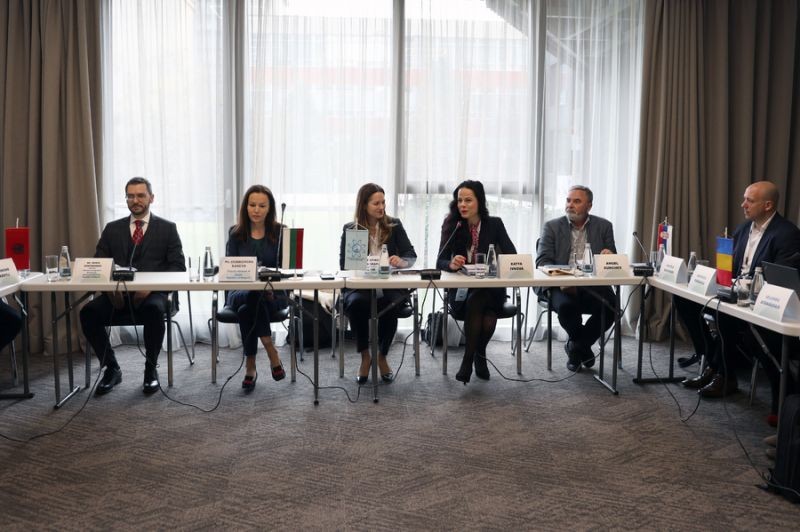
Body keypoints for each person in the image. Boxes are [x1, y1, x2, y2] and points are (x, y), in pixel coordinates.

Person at [679, 181, 800, 410]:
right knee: (684, 300)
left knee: (723, 315)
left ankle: (724, 374)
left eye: (749, 201)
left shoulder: (787, 234)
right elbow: (730, 267)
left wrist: (742, 286)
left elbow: (781, 280)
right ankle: (713, 364)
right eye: (744, 199)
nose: (743, 204)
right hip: (732, 294)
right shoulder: (743, 229)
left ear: (768, 205)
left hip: (760, 304)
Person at [80, 177, 185, 395]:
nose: (135, 200)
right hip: (117, 297)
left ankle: (150, 369)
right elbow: (99, 265)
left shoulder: (167, 229)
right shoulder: (112, 229)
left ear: (151, 198)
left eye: (140, 195)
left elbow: (178, 267)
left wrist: (151, 287)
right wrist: (111, 291)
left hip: (153, 295)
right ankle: (111, 368)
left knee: (154, 309)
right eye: (130, 196)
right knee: (88, 313)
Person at [437, 180, 516, 384]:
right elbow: (440, 261)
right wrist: (451, 264)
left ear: (479, 201)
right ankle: (479, 355)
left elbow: (512, 256)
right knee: (486, 314)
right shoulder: (453, 224)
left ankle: (467, 360)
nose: (462, 205)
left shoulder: (495, 224)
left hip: (491, 290)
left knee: (481, 297)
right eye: (459, 200)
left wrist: (495, 263)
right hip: (462, 292)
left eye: (468, 200)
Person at [339, 183, 417, 384]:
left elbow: (410, 254)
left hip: (389, 284)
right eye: (376, 203)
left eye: (383, 202)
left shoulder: (394, 225)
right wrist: (360, 262)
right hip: (361, 286)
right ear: (364, 205)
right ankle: (365, 356)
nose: (381, 207)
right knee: (357, 303)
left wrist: (401, 261)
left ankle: (382, 356)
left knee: (391, 303)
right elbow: (344, 265)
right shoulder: (351, 229)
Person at [536, 185, 616, 372]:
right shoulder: (552, 226)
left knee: (611, 307)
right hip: (558, 285)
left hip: (592, 285)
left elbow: (612, 261)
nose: (570, 205)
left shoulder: (604, 226)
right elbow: (543, 262)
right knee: (567, 307)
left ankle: (576, 347)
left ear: (589, 206)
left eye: (576, 201)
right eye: (568, 200)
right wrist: (566, 279)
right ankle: (583, 349)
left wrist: (609, 255)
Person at [225, 185, 288, 391]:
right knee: (252, 296)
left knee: (248, 310)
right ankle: (271, 350)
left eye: (262, 206)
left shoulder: (281, 232)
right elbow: (229, 269)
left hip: (273, 294)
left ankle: (250, 366)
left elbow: (289, 269)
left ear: (270, 209)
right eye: (252, 205)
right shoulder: (235, 233)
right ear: (246, 207)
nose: (256, 210)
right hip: (239, 292)